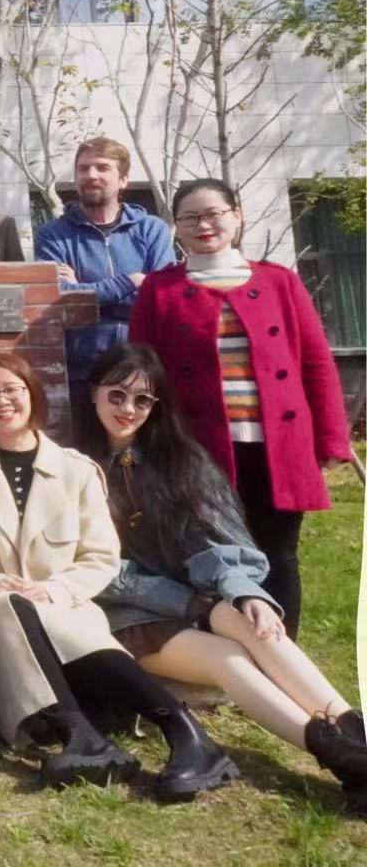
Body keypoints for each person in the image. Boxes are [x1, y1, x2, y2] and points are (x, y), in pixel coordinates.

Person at [78, 344, 367, 813]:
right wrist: (190, 603)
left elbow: (216, 541)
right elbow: (97, 569)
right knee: (229, 657)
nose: (128, 410)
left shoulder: (182, 462)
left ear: (157, 406)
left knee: (252, 621)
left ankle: (352, 735)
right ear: (93, 395)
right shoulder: (73, 468)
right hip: (129, 614)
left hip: (202, 599)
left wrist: (243, 591)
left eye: (142, 400)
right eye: (116, 395)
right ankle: (339, 756)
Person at [0, 351, 235, 800]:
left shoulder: (76, 470)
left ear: (32, 396)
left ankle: (185, 734)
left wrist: (55, 589)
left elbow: (101, 555)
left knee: (70, 627)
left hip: (65, 602)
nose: (1, 400)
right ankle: (85, 737)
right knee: (7, 609)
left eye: (11, 389)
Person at [128, 177, 349, 637]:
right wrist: (143, 440)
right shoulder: (161, 289)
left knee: (279, 551)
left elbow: (316, 362)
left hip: (278, 445)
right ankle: (225, 649)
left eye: (213, 214)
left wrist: (331, 438)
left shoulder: (279, 281)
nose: (203, 225)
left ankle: (284, 651)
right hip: (199, 447)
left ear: (237, 215)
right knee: (212, 549)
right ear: (176, 227)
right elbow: (142, 367)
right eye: (190, 218)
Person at [34, 137, 174, 401]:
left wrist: (84, 291)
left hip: (142, 365)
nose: (91, 175)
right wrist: (132, 281)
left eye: (102, 167)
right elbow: (60, 300)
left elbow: (160, 295)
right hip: (81, 371)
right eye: (83, 169)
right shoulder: (53, 235)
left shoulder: (152, 229)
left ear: (123, 179)